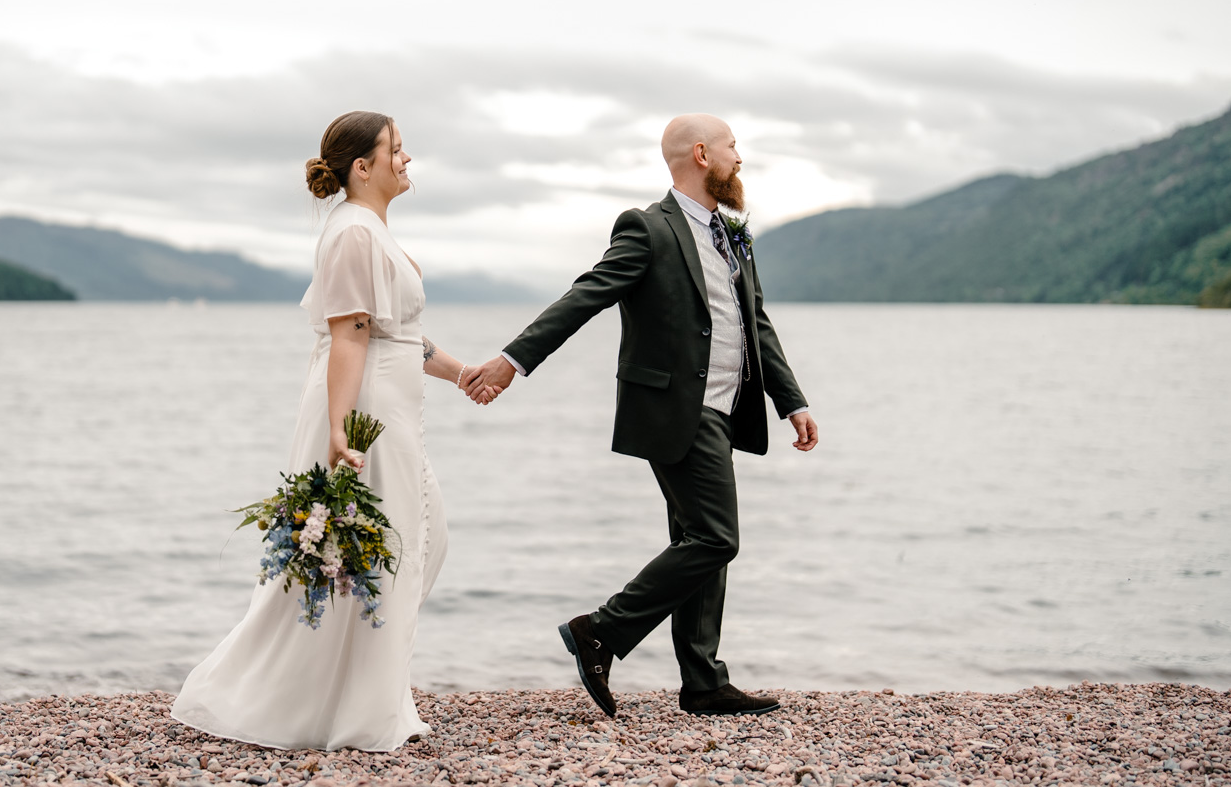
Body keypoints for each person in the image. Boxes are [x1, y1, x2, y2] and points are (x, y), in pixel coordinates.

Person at [463, 113, 819, 718]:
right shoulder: (649, 229)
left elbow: (754, 323)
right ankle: (602, 630)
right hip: (676, 409)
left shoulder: (734, 235)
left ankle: (703, 681)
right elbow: (587, 294)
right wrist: (513, 361)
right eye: (733, 146)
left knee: (697, 538)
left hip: (726, 409)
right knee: (715, 537)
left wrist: (791, 400)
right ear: (702, 154)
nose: (741, 157)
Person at [172, 111, 497, 752]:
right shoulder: (353, 235)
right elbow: (349, 337)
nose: (407, 160)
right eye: (395, 151)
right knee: (382, 547)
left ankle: (360, 694)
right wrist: (343, 431)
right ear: (362, 167)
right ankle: (332, 704)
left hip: (389, 407)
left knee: (407, 542)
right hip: (366, 413)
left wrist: (461, 374)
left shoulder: (369, 231)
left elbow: (395, 334)